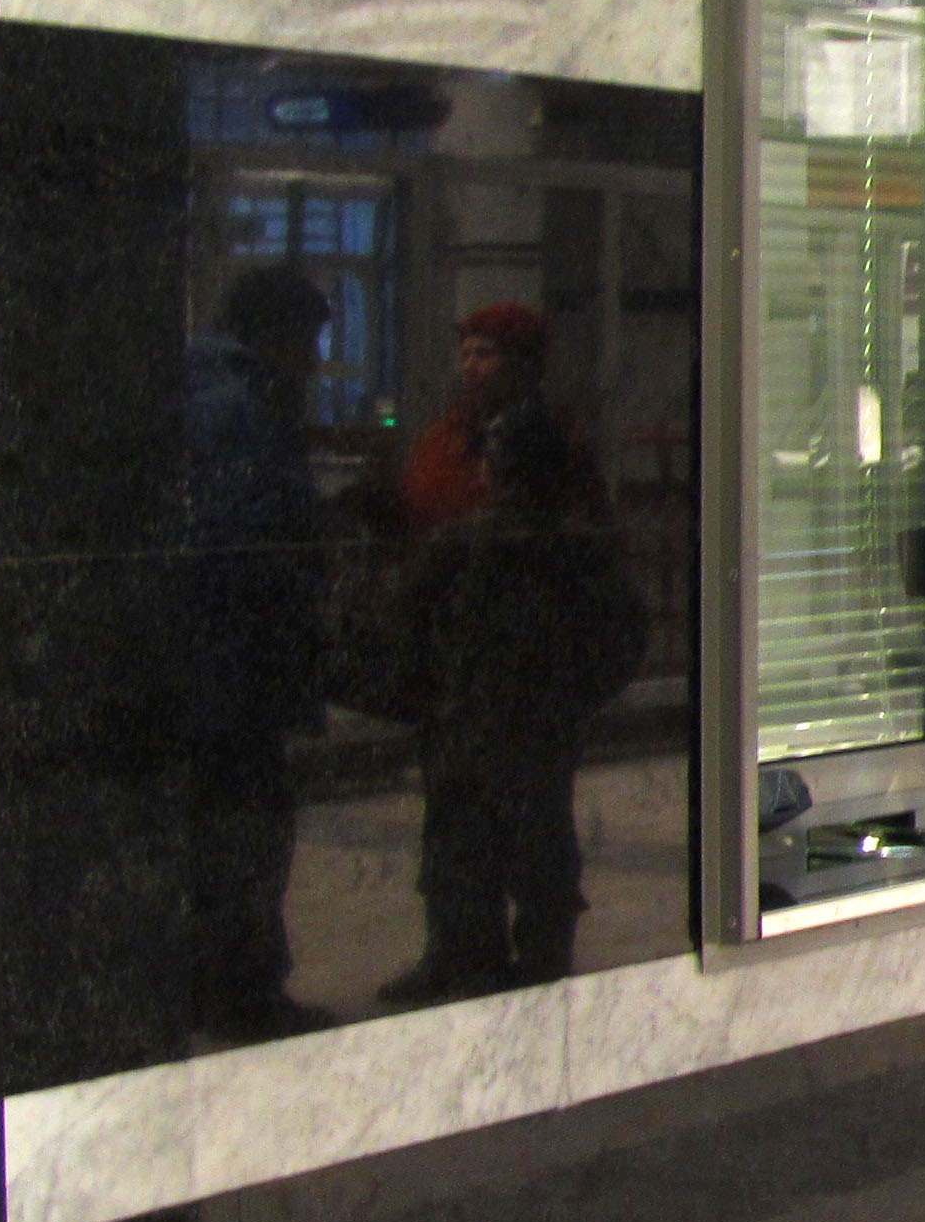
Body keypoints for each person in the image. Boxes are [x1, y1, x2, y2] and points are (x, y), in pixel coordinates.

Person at [365, 400, 649, 1005]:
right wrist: (578, 695)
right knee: (541, 843)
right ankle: (542, 961)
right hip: (541, 727)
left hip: (464, 724)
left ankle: (464, 960)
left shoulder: (459, 546)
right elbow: (626, 634)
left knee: (459, 845)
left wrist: (427, 693)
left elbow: (401, 624)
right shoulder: (579, 549)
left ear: (492, 471)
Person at [179, 264, 340, 1041]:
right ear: (275, 334)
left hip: (213, 664)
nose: (313, 361)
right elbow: (242, 540)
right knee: (247, 831)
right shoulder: (237, 410)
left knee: (226, 830)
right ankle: (242, 990)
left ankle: (220, 983)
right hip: (235, 665)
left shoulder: (205, 395)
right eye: (307, 341)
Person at [395, 299, 608, 533]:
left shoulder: (556, 435)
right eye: (465, 355)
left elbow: (584, 517)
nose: (469, 366)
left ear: (520, 365)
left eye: (484, 354)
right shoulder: (447, 434)